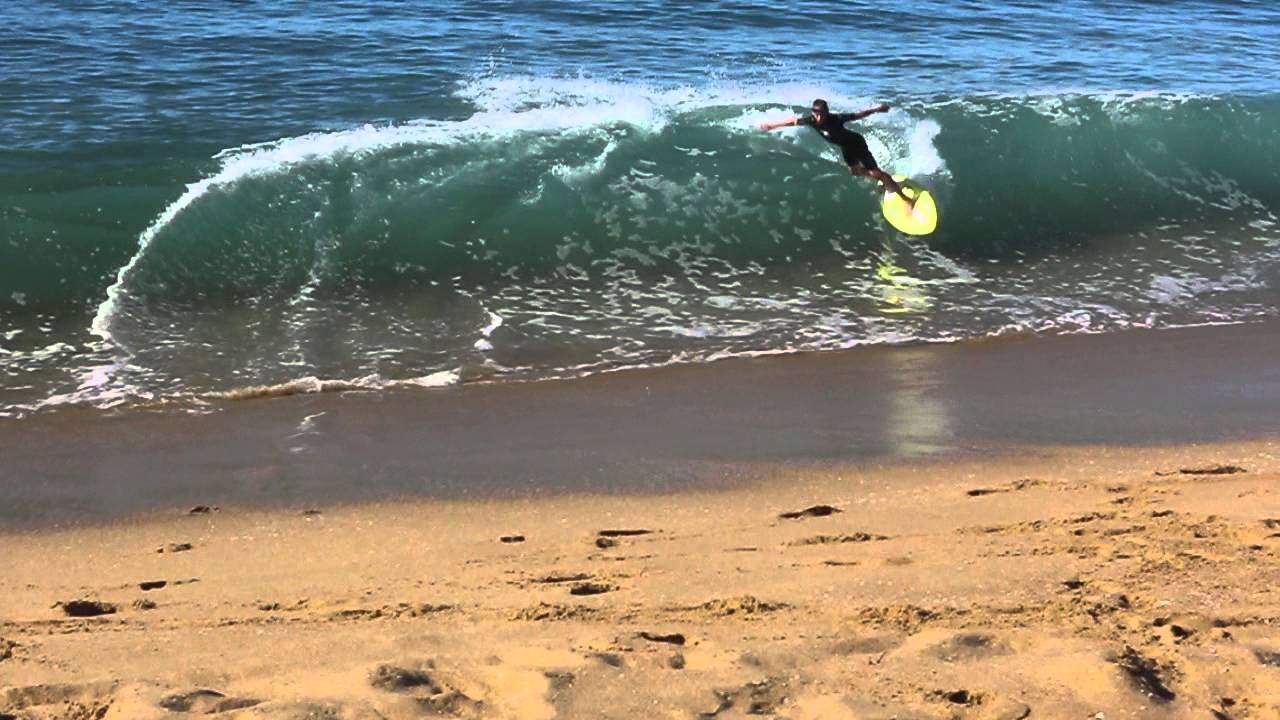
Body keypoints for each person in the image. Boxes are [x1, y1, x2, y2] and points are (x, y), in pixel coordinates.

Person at [760, 99, 914, 207]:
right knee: (855, 172)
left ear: (827, 112)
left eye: (821, 113)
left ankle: (904, 197)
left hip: (857, 144)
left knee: (875, 172)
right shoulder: (811, 121)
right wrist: (771, 126)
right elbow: (793, 121)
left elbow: (858, 115)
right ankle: (882, 179)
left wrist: (877, 109)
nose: (818, 116)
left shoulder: (836, 119)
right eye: (815, 113)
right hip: (846, 148)